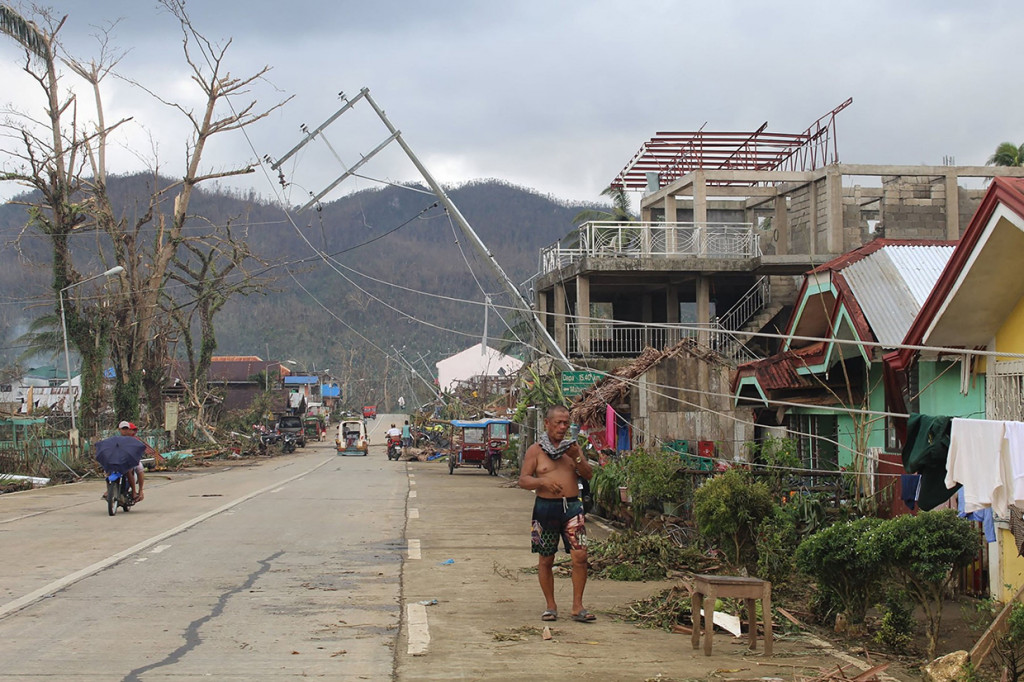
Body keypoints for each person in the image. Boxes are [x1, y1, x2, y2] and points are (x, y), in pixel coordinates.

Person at [518, 404, 595, 623]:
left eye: (566, 423)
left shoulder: (573, 448)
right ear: (547, 424)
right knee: (546, 558)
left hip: (572, 507)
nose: (562, 427)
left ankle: (577, 606)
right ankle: (550, 606)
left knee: (580, 556)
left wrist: (577, 457)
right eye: (558, 423)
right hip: (545, 509)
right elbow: (523, 479)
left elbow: (588, 475)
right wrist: (542, 482)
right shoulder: (536, 450)